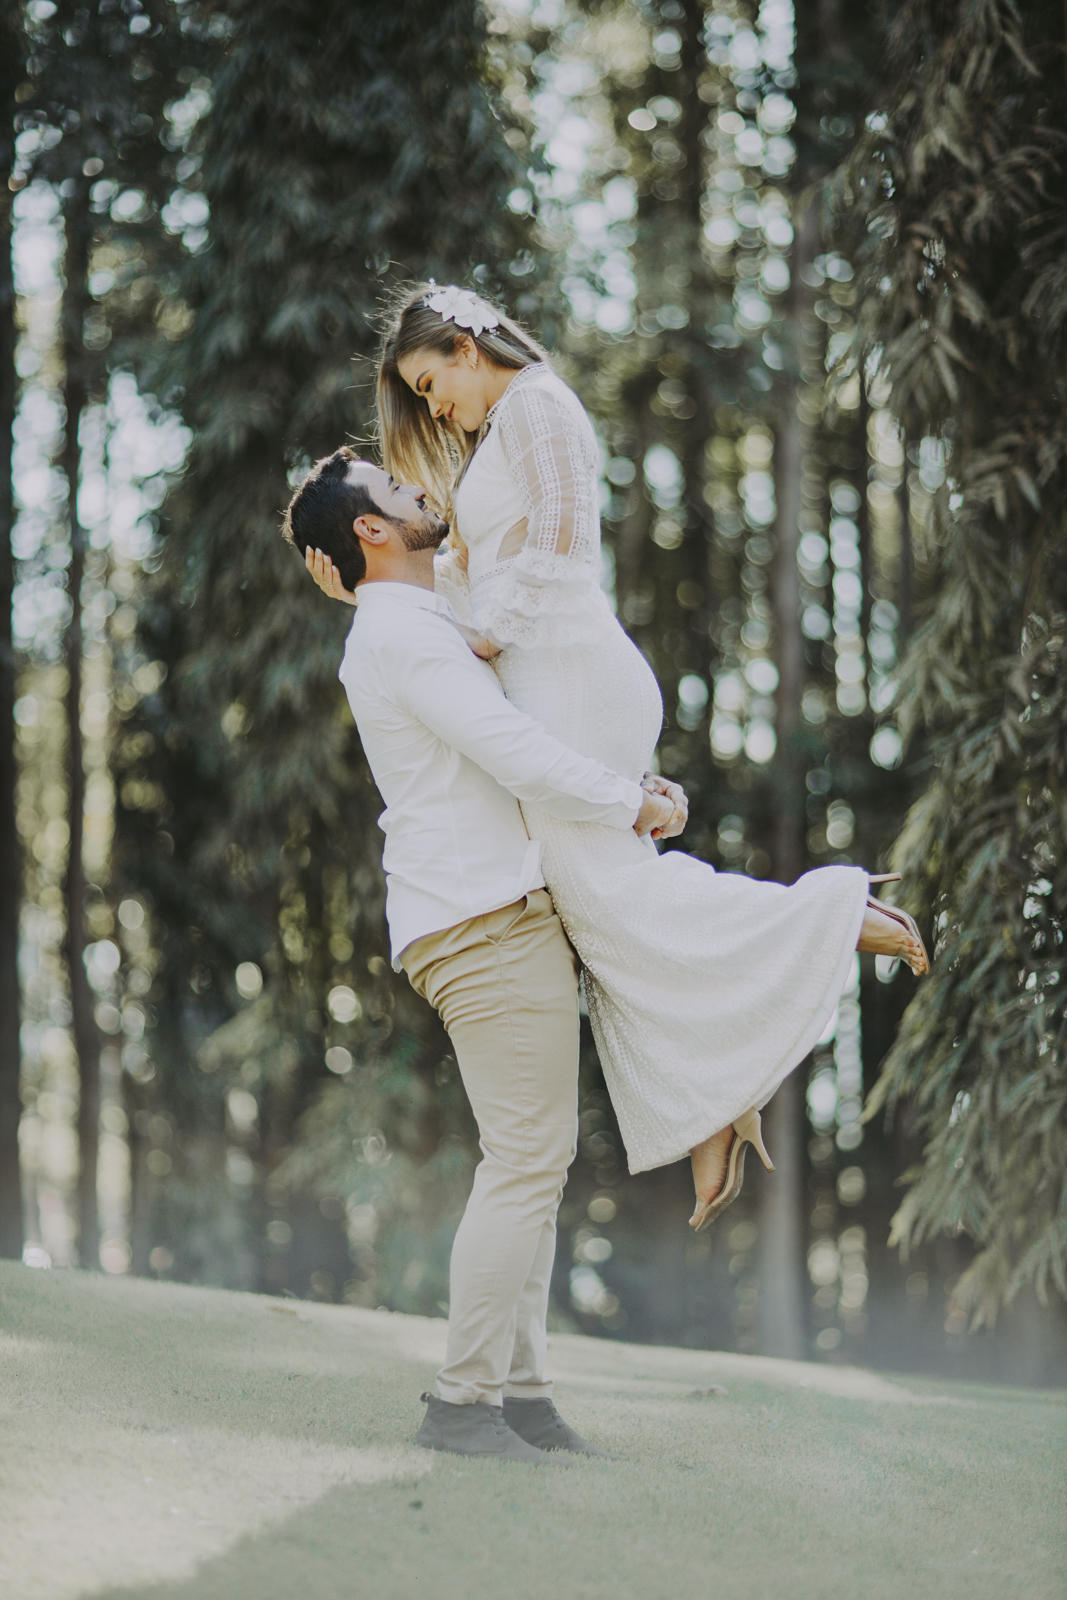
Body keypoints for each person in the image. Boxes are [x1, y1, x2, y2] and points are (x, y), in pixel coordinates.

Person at [307, 282, 929, 1232]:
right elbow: (476, 567)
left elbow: (559, 543)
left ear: (472, 346)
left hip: (567, 672)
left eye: (436, 385)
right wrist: (380, 600)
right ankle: (715, 1091)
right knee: (593, 910)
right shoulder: (503, 427)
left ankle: (832, 912)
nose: (437, 409)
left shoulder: (540, 406)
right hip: (549, 669)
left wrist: (484, 640)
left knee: (603, 895)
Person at [284, 451, 682, 1463]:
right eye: (395, 491)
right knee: (523, 1161)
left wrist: (629, 789)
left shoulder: (414, 619)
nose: (422, 491)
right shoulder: (398, 634)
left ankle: (523, 1395)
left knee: (533, 1162)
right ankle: (463, 1403)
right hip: (478, 922)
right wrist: (622, 799)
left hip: (487, 912)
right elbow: (507, 745)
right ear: (369, 533)